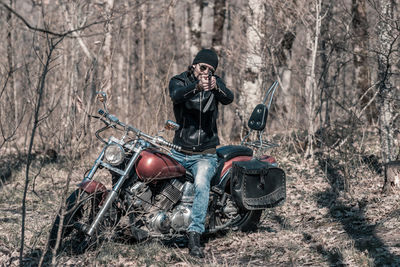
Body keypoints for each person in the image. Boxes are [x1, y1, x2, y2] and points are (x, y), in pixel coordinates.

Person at [169, 48, 234, 258]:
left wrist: (215, 87)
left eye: (210, 70)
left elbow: (229, 98)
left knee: (201, 184)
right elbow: (176, 96)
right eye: (203, 67)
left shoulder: (216, 84)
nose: (205, 72)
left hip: (204, 153)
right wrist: (196, 87)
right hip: (179, 149)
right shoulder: (178, 80)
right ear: (194, 65)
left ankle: (195, 234)